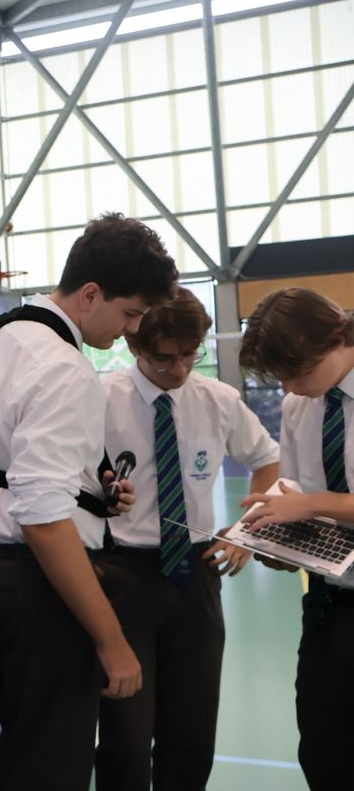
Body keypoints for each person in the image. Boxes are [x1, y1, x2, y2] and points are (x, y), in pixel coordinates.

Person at [0, 212, 178, 791]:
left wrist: (91, 491)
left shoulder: (5, 335)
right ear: (91, 294)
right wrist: (112, 640)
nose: (132, 329)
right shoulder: (65, 367)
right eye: (129, 313)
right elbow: (42, 518)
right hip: (33, 579)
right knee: (51, 767)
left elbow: (8, 462)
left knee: (27, 751)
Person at [94, 288, 279, 791]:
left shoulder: (217, 400)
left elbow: (267, 461)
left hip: (195, 574)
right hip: (120, 574)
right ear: (133, 345)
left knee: (192, 729)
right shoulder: (99, 399)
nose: (179, 369)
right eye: (164, 358)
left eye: (189, 355)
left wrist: (245, 531)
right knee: (126, 737)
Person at [237, 286, 354, 791]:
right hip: (330, 603)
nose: (289, 387)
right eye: (279, 377)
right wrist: (281, 540)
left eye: (297, 372)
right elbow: (296, 492)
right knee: (324, 753)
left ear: (335, 340)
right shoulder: (299, 406)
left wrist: (311, 504)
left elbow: (310, 500)